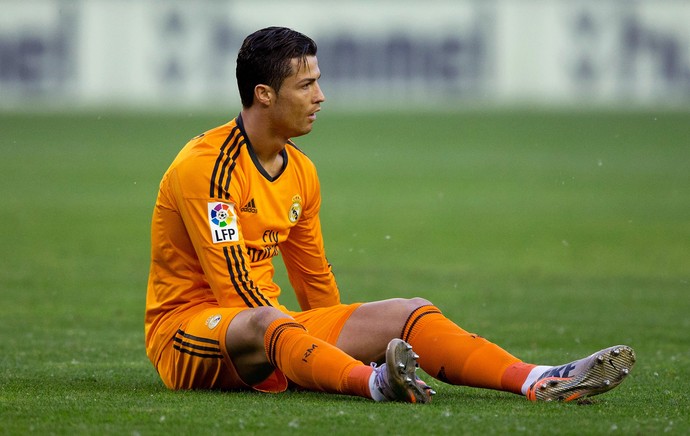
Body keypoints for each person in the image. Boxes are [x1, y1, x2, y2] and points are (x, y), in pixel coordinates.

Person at [144, 26, 635, 403]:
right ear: (264, 94)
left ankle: (538, 379)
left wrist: (333, 335)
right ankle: (376, 384)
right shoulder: (207, 168)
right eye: (306, 85)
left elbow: (314, 279)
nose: (320, 97)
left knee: (407, 312)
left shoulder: (301, 172)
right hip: (192, 334)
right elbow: (236, 295)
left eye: (319, 82)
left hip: (274, 329)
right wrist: (310, 345)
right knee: (266, 321)